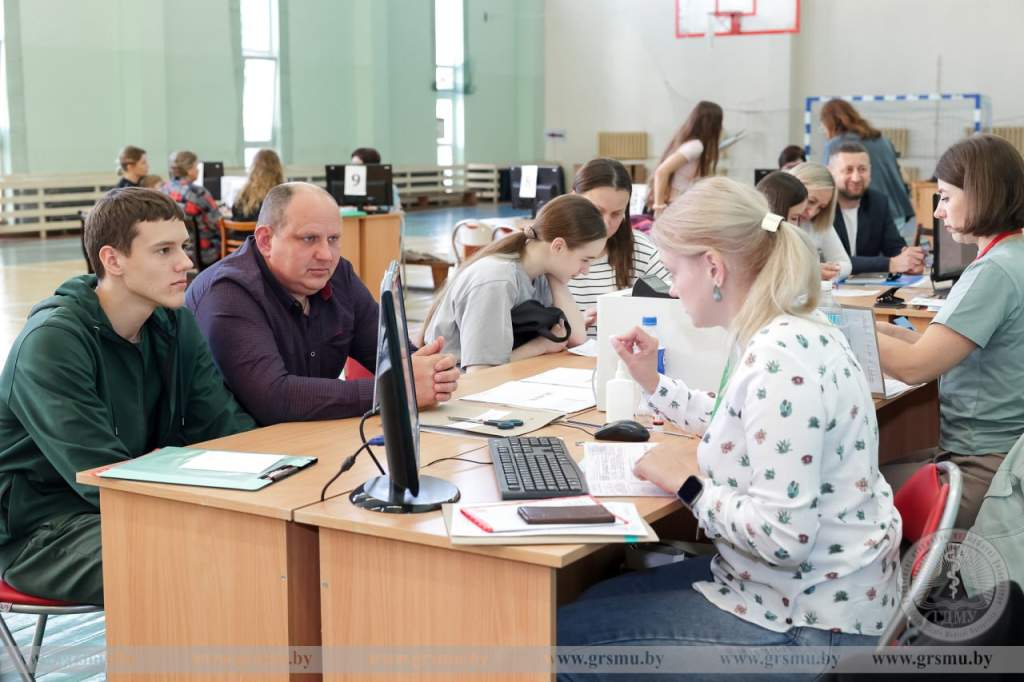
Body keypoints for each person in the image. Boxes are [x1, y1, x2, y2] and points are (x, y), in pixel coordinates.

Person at [556, 178, 901, 673]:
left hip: (807, 621)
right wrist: (653, 382)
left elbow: (783, 540)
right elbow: (739, 416)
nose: (671, 288)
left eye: (675, 272)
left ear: (714, 267)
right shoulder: (791, 329)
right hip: (797, 590)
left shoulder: (780, 360)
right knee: (593, 599)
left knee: (561, 640)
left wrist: (689, 484)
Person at [0, 188, 256, 606]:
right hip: (40, 532)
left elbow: (225, 427)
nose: (186, 263)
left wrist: (282, 480)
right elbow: (101, 477)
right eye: (163, 250)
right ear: (112, 260)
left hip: (126, 504)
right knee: (203, 559)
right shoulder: (52, 343)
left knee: (265, 541)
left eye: (183, 247)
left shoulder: (175, 325)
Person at [186, 182, 458, 425]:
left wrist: (429, 373)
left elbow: (389, 354)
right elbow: (273, 399)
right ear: (266, 241)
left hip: (308, 440)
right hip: (237, 457)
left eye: (333, 239)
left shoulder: (339, 276)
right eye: (309, 239)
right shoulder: (229, 292)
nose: (327, 255)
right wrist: (393, 390)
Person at [877, 134, 1024, 530]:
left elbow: (915, 367)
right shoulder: (1013, 254)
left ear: (980, 194)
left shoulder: (992, 272)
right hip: (1000, 451)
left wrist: (829, 333)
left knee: (853, 494)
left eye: (944, 197)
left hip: (983, 464)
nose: (938, 212)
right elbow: (935, 345)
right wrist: (866, 329)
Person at [422, 194, 606, 372]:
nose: (586, 270)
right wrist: (540, 346)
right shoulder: (497, 280)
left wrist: (558, 275)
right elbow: (480, 372)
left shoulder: (542, 274)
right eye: (585, 259)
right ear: (558, 246)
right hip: (458, 389)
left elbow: (575, 337)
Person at [567, 158, 671, 337]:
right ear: (573, 198)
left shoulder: (642, 250)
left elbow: (673, 308)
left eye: (616, 214)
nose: (605, 223)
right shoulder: (551, 250)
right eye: (597, 211)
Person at [828, 141, 924, 275]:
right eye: (848, 170)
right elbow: (831, 261)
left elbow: (894, 247)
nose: (856, 178)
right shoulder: (821, 206)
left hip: (867, 290)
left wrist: (909, 259)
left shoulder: (878, 202)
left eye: (862, 169)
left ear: (870, 171)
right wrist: (890, 264)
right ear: (830, 172)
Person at [820, 99, 914, 230]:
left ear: (828, 123)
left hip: (870, 215)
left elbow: (825, 181)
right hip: (900, 211)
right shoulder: (883, 140)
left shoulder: (835, 146)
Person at [649, 101, 723, 217]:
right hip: (676, 205)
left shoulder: (689, 144)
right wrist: (659, 207)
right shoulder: (695, 146)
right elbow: (661, 171)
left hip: (678, 204)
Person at [785, 162, 852, 281]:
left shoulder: (818, 221)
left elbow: (846, 265)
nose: (811, 213)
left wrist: (830, 270)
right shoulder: (770, 221)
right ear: (794, 188)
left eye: (821, 207)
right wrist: (811, 271)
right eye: (811, 201)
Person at [161, 150, 223, 269]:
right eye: (196, 166)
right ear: (189, 170)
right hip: (205, 253)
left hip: (173, 250)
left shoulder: (164, 190)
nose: (198, 170)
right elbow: (217, 224)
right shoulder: (199, 194)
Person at [232, 148, 285, 222]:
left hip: (242, 233)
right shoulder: (283, 194)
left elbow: (235, 215)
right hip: (267, 233)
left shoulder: (243, 193)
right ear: (278, 168)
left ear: (254, 168)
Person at [350, 147, 402, 212]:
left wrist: (377, 209)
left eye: (358, 165)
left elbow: (395, 212)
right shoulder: (352, 186)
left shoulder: (389, 187)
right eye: (352, 165)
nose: (353, 169)